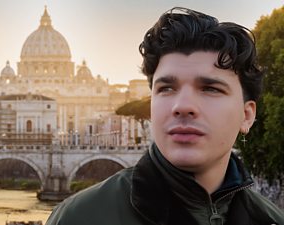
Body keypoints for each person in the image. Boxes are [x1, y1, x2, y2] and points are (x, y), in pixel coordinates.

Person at [45, 7, 284, 225]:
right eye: (166, 88)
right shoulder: (77, 218)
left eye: (210, 88)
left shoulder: (271, 220)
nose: (182, 106)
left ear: (247, 115)